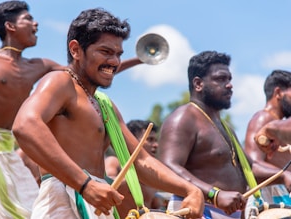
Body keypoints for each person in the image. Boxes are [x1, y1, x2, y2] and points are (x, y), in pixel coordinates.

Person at [12, 8, 204, 219]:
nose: (114, 62)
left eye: (118, 54)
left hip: (96, 203)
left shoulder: (104, 104)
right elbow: (25, 125)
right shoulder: (60, 81)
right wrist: (84, 184)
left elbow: (140, 161)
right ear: (76, 50)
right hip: (62, 202)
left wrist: (189, 189)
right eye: (105, 52)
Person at [0, 1, 68, 218]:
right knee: (1, 208)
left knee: (31, 205)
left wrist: (136, 59)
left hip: (9, 142)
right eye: (28, 19)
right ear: (10, 26)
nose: (35, 23)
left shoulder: (40, 65)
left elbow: (83, 74)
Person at [158, 51, 255, 219]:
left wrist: (284, 175)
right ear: (198, 84)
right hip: (197, 212)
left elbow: (249, 167)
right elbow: (166, 167)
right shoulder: (184, 118)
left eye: (229, 79)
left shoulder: (225, 125)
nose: (229, 85)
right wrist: (214, 194)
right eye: (221, 79)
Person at [244, 70, 291, 216]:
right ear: (278, 92)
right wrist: (284, 176)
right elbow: (252, 166)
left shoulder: (279, 125)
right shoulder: (263, 118)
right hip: (268, 202)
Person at [104, 120, 167, 217]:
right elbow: (107, 185)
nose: (156, 145)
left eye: (155, 140)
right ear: (132, 140)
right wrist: (134, 177)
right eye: (150, 139)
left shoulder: (152, 174)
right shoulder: (115, 162)